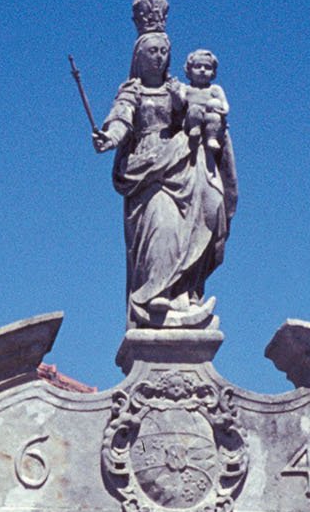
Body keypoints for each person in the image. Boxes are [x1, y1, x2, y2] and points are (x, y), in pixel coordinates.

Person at [93, 20, 237, 328]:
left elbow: (200, 112)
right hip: (148, 169)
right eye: (151, 51)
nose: (158, 56)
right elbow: (121, 119)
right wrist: (109, 138)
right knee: (163, 224)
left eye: (163, 51)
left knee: (210, 213)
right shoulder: (132, 90)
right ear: (139, 56)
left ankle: (185, 293)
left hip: (182, 163)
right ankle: (157, 293)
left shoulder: (178, 89)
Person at [183, 49, 229, 157]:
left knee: (214, 110)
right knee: (194, 109)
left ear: (213, 72)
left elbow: (224, 102)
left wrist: (224, 110)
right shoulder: (186, 89)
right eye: (198, 66)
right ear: (189, 70)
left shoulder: (215, 89)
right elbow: (179, 103)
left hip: (210, 117)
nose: (202, 70)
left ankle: (211, 138)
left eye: (207, 67)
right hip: (192, 119)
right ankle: (196, 129)